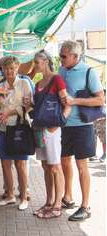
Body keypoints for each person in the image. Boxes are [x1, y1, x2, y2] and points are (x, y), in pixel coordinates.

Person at [59, 40, 105, 221]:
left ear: (75, 56)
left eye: (63, 56)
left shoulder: (88, 72)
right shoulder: (61, 70)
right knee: (64, 162)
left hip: (83, 127)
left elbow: (100, 100)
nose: (60, 59)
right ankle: (68, 197)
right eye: (60, 55)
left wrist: (75, 101)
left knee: (81, 165)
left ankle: (85, 206)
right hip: (64, 125)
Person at [26, 50, 71, 219]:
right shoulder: (38, 84)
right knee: (46, 167)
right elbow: (39, 106)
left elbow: (68, 105)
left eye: (36, 63)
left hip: (51, 130)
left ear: (45, 62)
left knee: (55, 166)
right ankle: (49, 202)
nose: (35, 66)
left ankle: (57, 205)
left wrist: (58, 123)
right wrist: (29, 103)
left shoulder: (57, 79)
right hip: (39, 128)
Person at [0, 56, 33, 211]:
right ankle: (10, 195)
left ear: (17, 68)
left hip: (19, 128)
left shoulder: (24, 83)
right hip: (3, 128)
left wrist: (10, 112)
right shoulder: (0, 86)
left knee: (20, 164)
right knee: (5, 163)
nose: (9, 71)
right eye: (6, 68)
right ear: (2, 70)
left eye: (12, 68)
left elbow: (29, 106)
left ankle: (23, 197)